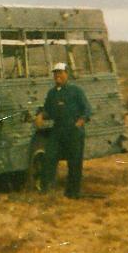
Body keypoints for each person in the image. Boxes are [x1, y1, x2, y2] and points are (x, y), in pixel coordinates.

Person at [34, 62, 92, 198]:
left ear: (67, 74)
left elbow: (87, 109)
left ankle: (72, 193)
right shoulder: (52, 93)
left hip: (74, 131)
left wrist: (80, 122)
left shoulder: (76, 91)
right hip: (57, 130)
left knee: (74, 162)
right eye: (55, 73)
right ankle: (46, 190)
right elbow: (48, 111)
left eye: (60, 73)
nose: (57, 76)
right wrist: (41, 115)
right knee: (49, 158)